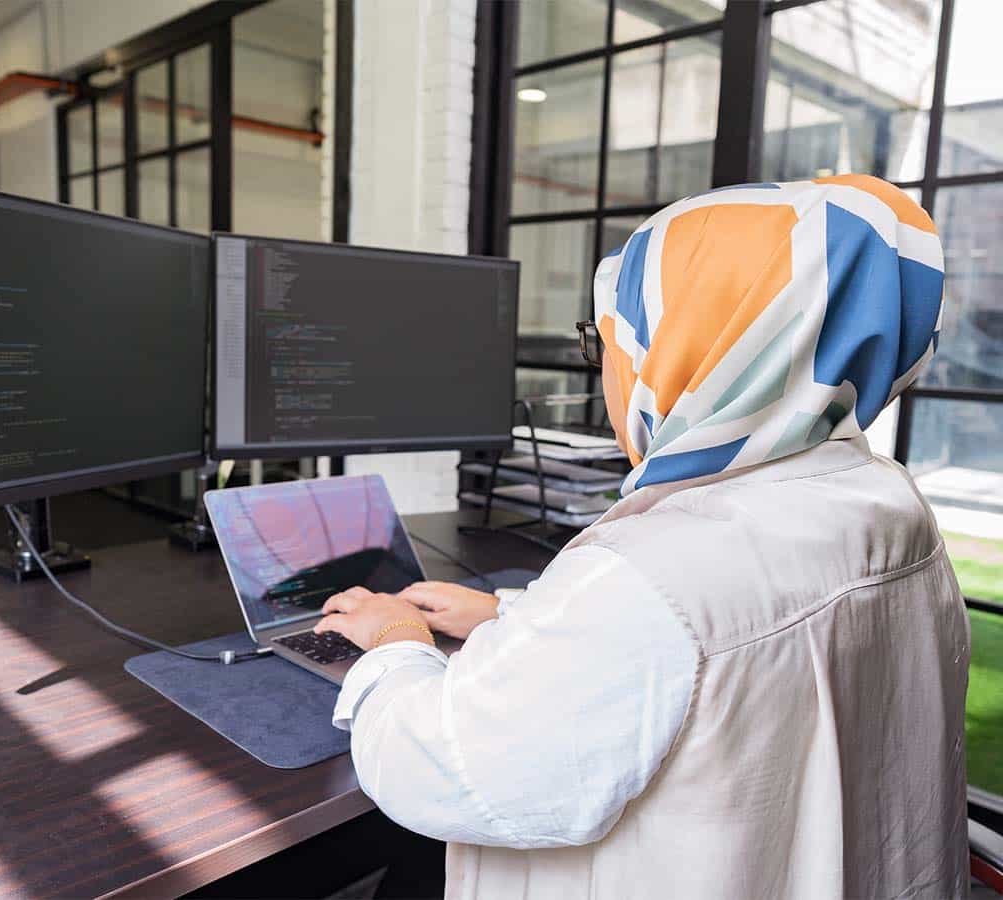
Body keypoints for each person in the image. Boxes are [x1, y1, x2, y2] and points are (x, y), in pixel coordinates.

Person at [314, 175, 970, 899]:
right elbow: (735, 653)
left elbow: (445, 772)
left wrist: (396, 637)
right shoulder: (888, 504)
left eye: (610, 339)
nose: (607, 368)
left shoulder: (650, 570)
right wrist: (512, 618)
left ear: (690, 344)